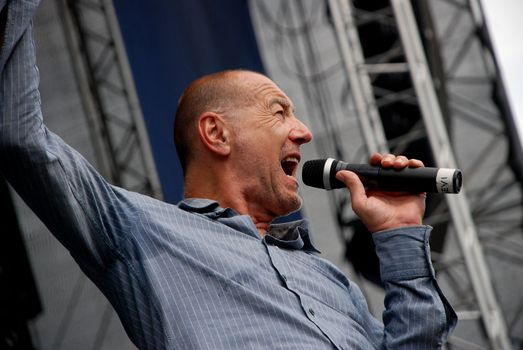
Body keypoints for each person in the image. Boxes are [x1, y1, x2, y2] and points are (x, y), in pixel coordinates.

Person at [0, 1, 456, 349]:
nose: (304, 131)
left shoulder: (330, 281)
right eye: (279, 112)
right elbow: (20, 136)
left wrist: (400, 236)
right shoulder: (135, 228)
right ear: (216, 133)